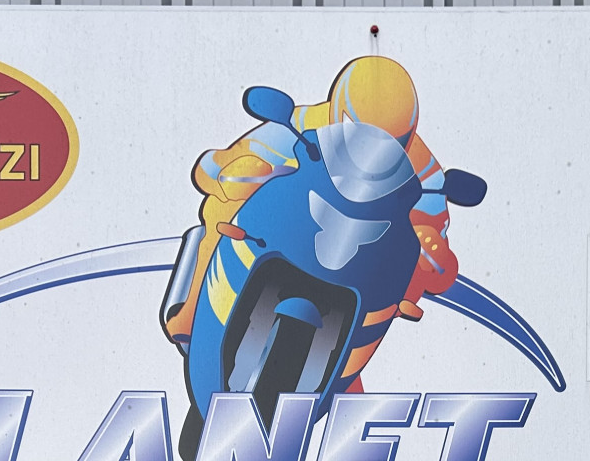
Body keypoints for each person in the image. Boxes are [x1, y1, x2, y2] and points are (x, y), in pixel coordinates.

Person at [161, 56, 459, 356]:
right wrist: (238, 171)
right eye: (358, 131)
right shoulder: (299, 124)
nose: (371, 152)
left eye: (391, 143)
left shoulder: (425, 172)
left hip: (361, 256)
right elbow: (210, 169)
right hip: (293, 232)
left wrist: (431, 248)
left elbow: (435, 243)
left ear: (407, 137)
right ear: (338, 110)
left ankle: (348, 362)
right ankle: (193, 311)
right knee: (223, 205)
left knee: (405, 277)